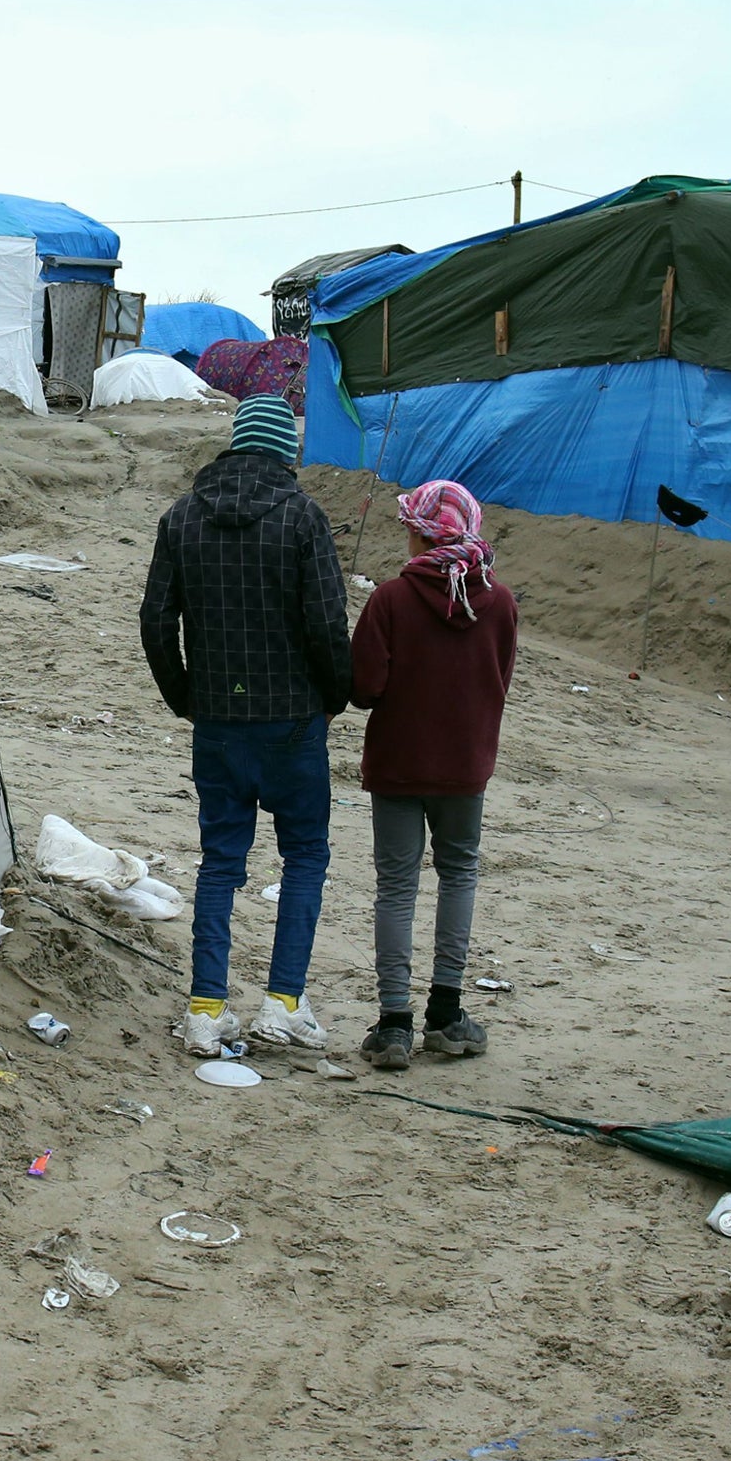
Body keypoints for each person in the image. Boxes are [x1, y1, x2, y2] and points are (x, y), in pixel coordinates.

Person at [140, 394, 353, 1057]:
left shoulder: (182, 518)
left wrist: (185, 696)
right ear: (285, 452)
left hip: (219, 721)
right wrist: (336, 694)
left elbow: (155, 621)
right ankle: (284, 1001)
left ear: (234, 444)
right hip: (292, 717)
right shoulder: (302, 517)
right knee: (306, 855)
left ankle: (206, 1009)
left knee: (221, 863)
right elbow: (325, 623)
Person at [350, 479, 518, 1069]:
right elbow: (499, 679)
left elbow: (365, 690)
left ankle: (394, 1022)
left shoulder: (390, 600)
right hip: (465, 766)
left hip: (398, 765)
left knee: (396, 887)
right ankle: (445, 1013)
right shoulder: (499, 601)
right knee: (459, 875)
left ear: (423, 531)